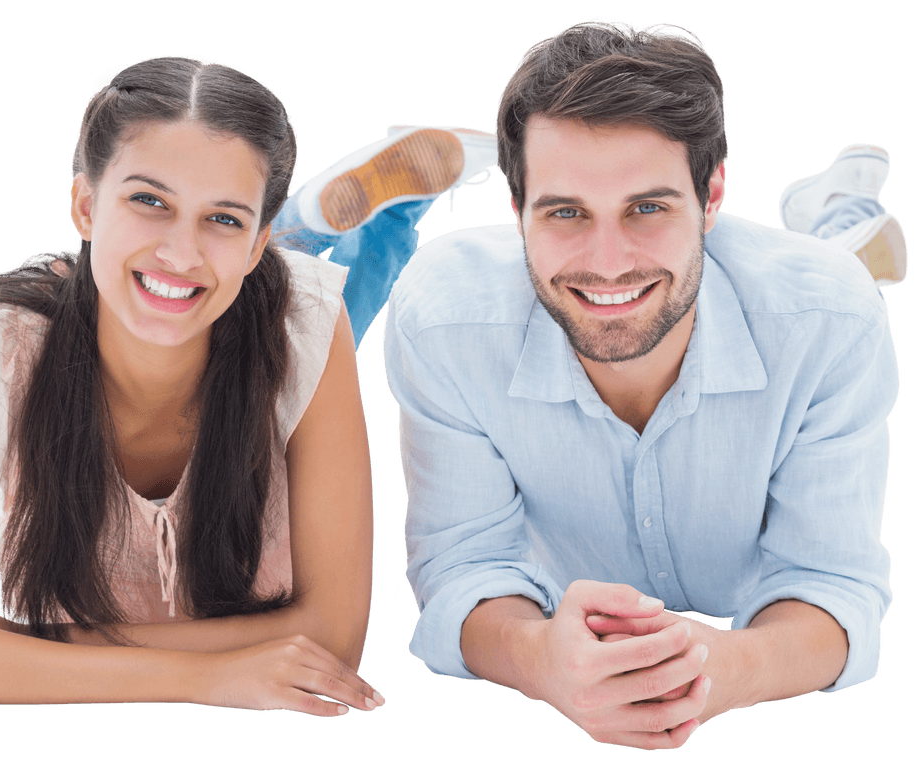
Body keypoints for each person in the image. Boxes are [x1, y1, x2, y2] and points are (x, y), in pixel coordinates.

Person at [0, 54, 493, 712]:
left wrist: (15, 648)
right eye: (148, 200)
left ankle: (361, 217)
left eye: (224, 217)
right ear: (83, 204)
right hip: (224, 308)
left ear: (253, 243)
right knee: (258, 308)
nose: (179, 250)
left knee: (311, 309)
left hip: (259, 311)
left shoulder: (304, 322)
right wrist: (204, 678)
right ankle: (310, 222)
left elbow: (329, 642)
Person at [382, 19, 901, 749]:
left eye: (647, 208)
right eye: (565, 212)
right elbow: (465, 567)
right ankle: (826, 214)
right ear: (514, 207)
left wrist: (723, 669)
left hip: (800, 290)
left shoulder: (828, 318)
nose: (607, 261)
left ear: (714, 192)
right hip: (754, 284)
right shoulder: (444, 320)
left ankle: (836, 212)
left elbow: (831, 582)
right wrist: (539, 660)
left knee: (840, 274)